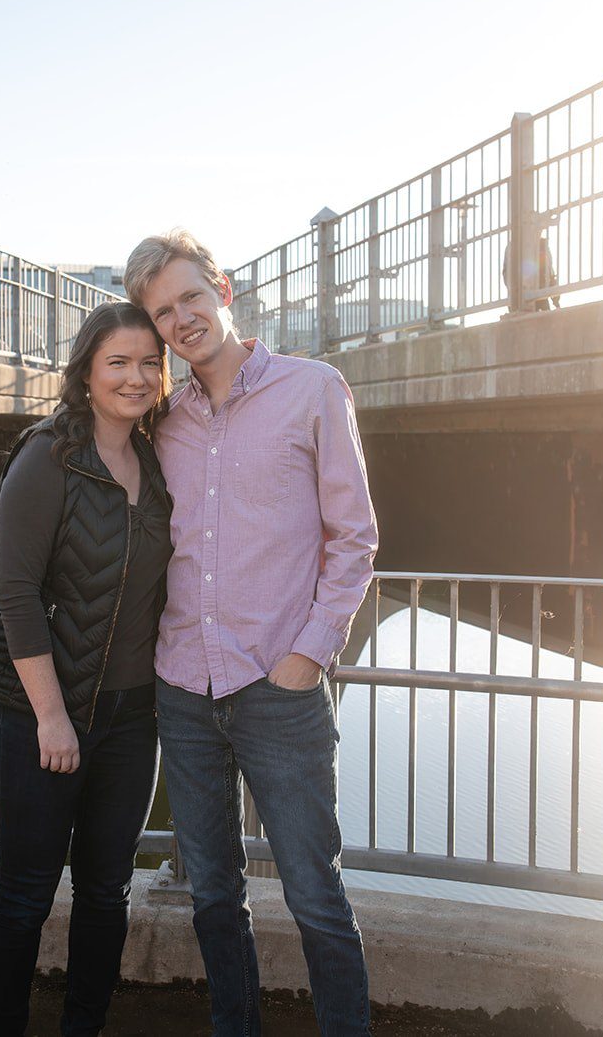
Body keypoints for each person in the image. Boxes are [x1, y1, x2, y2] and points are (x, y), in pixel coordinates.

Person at [125, 229, 378, 1036]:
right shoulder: (161, 420)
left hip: (280, 687)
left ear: (223, 290)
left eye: (191, 297)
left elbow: (355, 537)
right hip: (185, 690)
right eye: (162, 312)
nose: (182, 318)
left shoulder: (313, 389)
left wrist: (309, 655)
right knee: (211, 892)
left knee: (314, 891)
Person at [0, 300, 173, 1036]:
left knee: (107, 891)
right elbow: (11, 590)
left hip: (132, 717)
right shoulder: (48, 456)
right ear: (85, 372)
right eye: (118, 362)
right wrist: (52, 715)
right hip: (36, 712)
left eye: (149, 362)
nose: (136, 377)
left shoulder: (158, 461)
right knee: (24, 893)